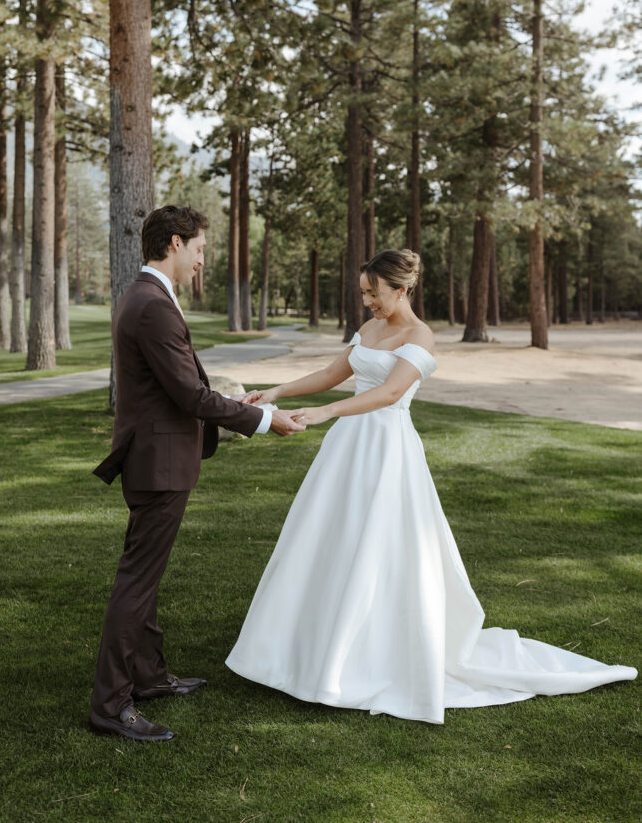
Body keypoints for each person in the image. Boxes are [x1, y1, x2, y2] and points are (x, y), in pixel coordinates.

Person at [226, 248, 637, 723]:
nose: (367, 303)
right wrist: (273, 392)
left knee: (383, 545)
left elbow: (390, 392)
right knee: (329, 536)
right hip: (347, 450)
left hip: (387, 449)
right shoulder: (368, 330)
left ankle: (371, 650)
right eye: (363, 293)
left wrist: (325, 412)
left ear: (400, 289)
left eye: (373, 293)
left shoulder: (420, 337)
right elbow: (331, 374)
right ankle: (308, 644)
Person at [90, 205, 304, 742]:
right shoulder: (152, 304)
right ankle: (111, 705)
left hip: (156, 458)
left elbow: (176, 386)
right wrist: (262, 419)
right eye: (200, 250)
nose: (203, 260)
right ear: (175, 244)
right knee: (136, 582)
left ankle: (149, 676)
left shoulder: (146, 297)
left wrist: (229, 399)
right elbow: (187, 395)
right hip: (157, 464)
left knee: (146, 576)